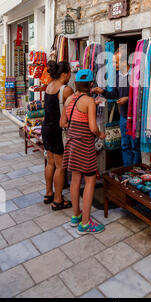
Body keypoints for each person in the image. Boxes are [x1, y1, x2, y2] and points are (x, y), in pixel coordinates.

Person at [60, 69, 105, 234]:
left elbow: (62, 123)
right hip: (84, 145)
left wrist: (75, 127)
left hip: (71, 144)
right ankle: (85, 223)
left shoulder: (69, 99)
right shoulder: (89, 101)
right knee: (90, 180)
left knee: (75, 180)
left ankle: (75, 216)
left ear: (76, 83)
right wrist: (101, 134)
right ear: (91, 84)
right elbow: (93, 127)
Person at [92, 47, 141, 167]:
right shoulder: (118, 76)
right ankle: (127, 172)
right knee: (125, 146)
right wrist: (102, 91)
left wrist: (128, 99)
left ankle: (135, 171)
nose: (114, 65)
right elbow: (113, 94)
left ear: (124, 62)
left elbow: (142, 96)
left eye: (116, 62)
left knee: (135, 146)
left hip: (135, 117)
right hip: (124, 116)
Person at [42, 61, 74, 210]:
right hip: (57, 130)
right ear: (64, 74)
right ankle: (58, 200)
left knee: (51, 162)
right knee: (60, 166)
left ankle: (49, 193)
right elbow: (76, 106)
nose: (70, 76)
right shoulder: (66, 89)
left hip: (46, 128)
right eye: (69, 73)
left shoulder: (49, 86)